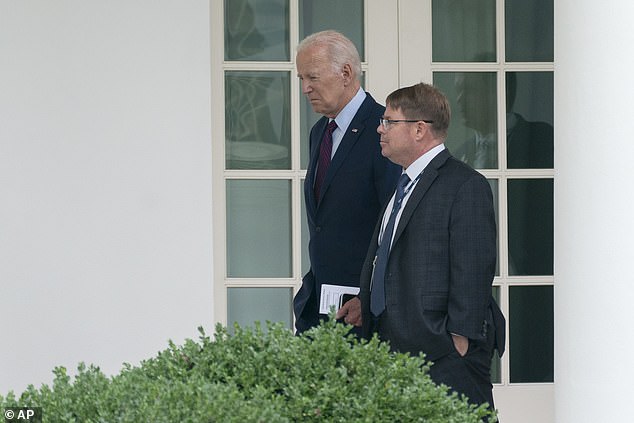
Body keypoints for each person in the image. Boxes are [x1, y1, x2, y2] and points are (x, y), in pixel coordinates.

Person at [339, 82, 505, 409]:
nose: (379, 128)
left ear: (419, 129)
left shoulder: (465, 185)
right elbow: (393, 258)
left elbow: (473, 268)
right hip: (394, 348)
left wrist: (458, 340)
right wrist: (367, 299)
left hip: (442, 355)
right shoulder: (403, 183)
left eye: (389, 121)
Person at [293, 30, 400, 334]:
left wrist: (369, 298)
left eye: (312, 77)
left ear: (346, 73)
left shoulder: (384, 129)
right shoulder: (319, 133)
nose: (305, 88)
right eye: (301, 78)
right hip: (320, 308)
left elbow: (394, 227)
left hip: (364, 313)